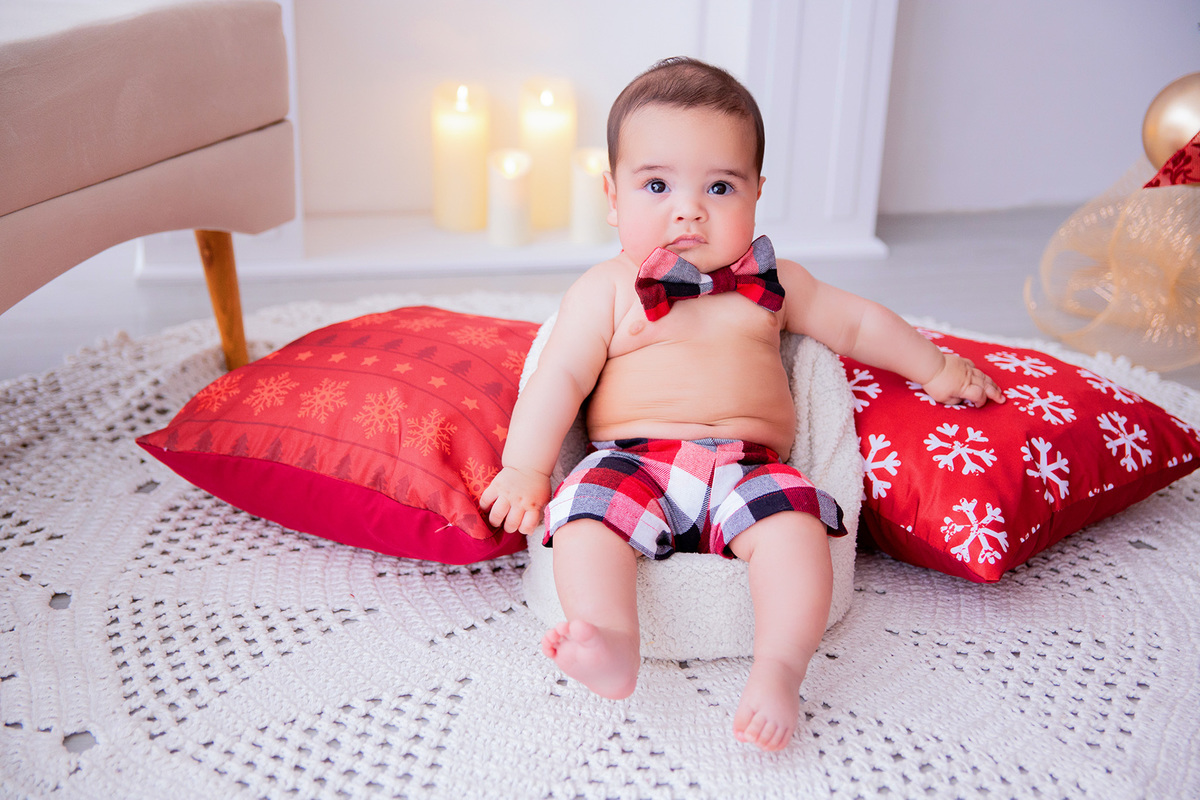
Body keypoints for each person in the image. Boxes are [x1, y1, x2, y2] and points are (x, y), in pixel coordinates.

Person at [479, 56, 1004, 752]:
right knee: (581, 523)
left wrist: (934, 368)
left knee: (798, 538)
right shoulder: (605, 288)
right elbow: (558, 378)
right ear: (612, 197)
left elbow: (857, 325)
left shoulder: (773, 284)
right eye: (657, 184)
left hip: (749, 467)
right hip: (630, 463)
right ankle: (610, 641)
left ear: (758, 193)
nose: (688, 209)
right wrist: (524, 468)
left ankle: (779, 670)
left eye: (720, 185)